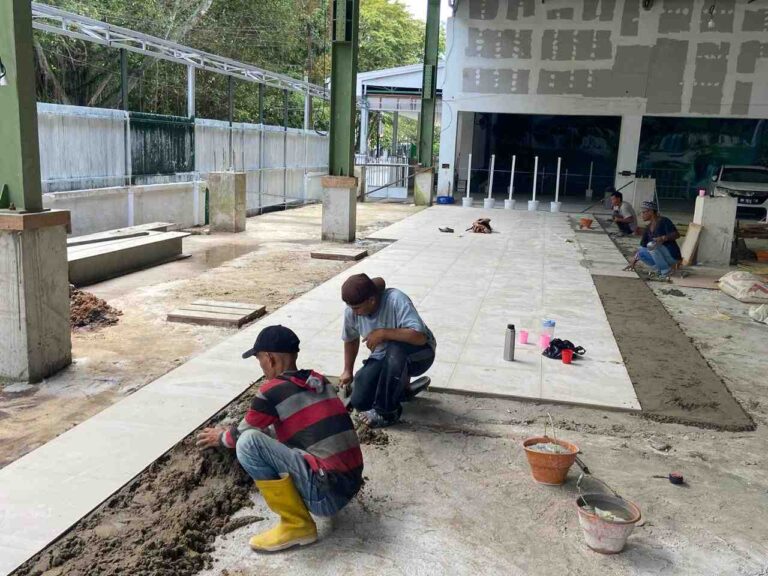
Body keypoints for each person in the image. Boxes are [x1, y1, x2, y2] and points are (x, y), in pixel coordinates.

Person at [196, 325, 363, 552]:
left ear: (270, 358)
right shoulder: (318, 381)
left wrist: (221, 437)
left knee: (248, 444)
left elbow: (240, 434)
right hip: (350, 484)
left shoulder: (271, 391)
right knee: (271, 432)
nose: (262, 367)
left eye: (259, 360)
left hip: (326, 495)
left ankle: (296, 525)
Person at [339, 274, 436, 428]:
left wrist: (383, 333)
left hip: (421, 353)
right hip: (384, 357)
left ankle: (387, 412)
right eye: (351, 307)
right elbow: (350, 339)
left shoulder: (396, 300)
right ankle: (401, 391)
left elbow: (420, 337)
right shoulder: (351, 311)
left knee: (395, 347)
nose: (354, 312)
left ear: (371, 300)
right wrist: (347, 370)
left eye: (357, 308)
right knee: (360, 400)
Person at [627, 201, 682, 280]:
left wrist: (663, 238)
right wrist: (633, 262)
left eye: (643, 212)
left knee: (651, 245)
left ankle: (665, 271)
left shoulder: (664, 221)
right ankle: (661, 268)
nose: (641, 215)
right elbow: (642, 247)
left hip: (672, 255)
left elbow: (677, 234)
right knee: (641, 252)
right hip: (663, 257)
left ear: (651, 212)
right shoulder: (648, 227)